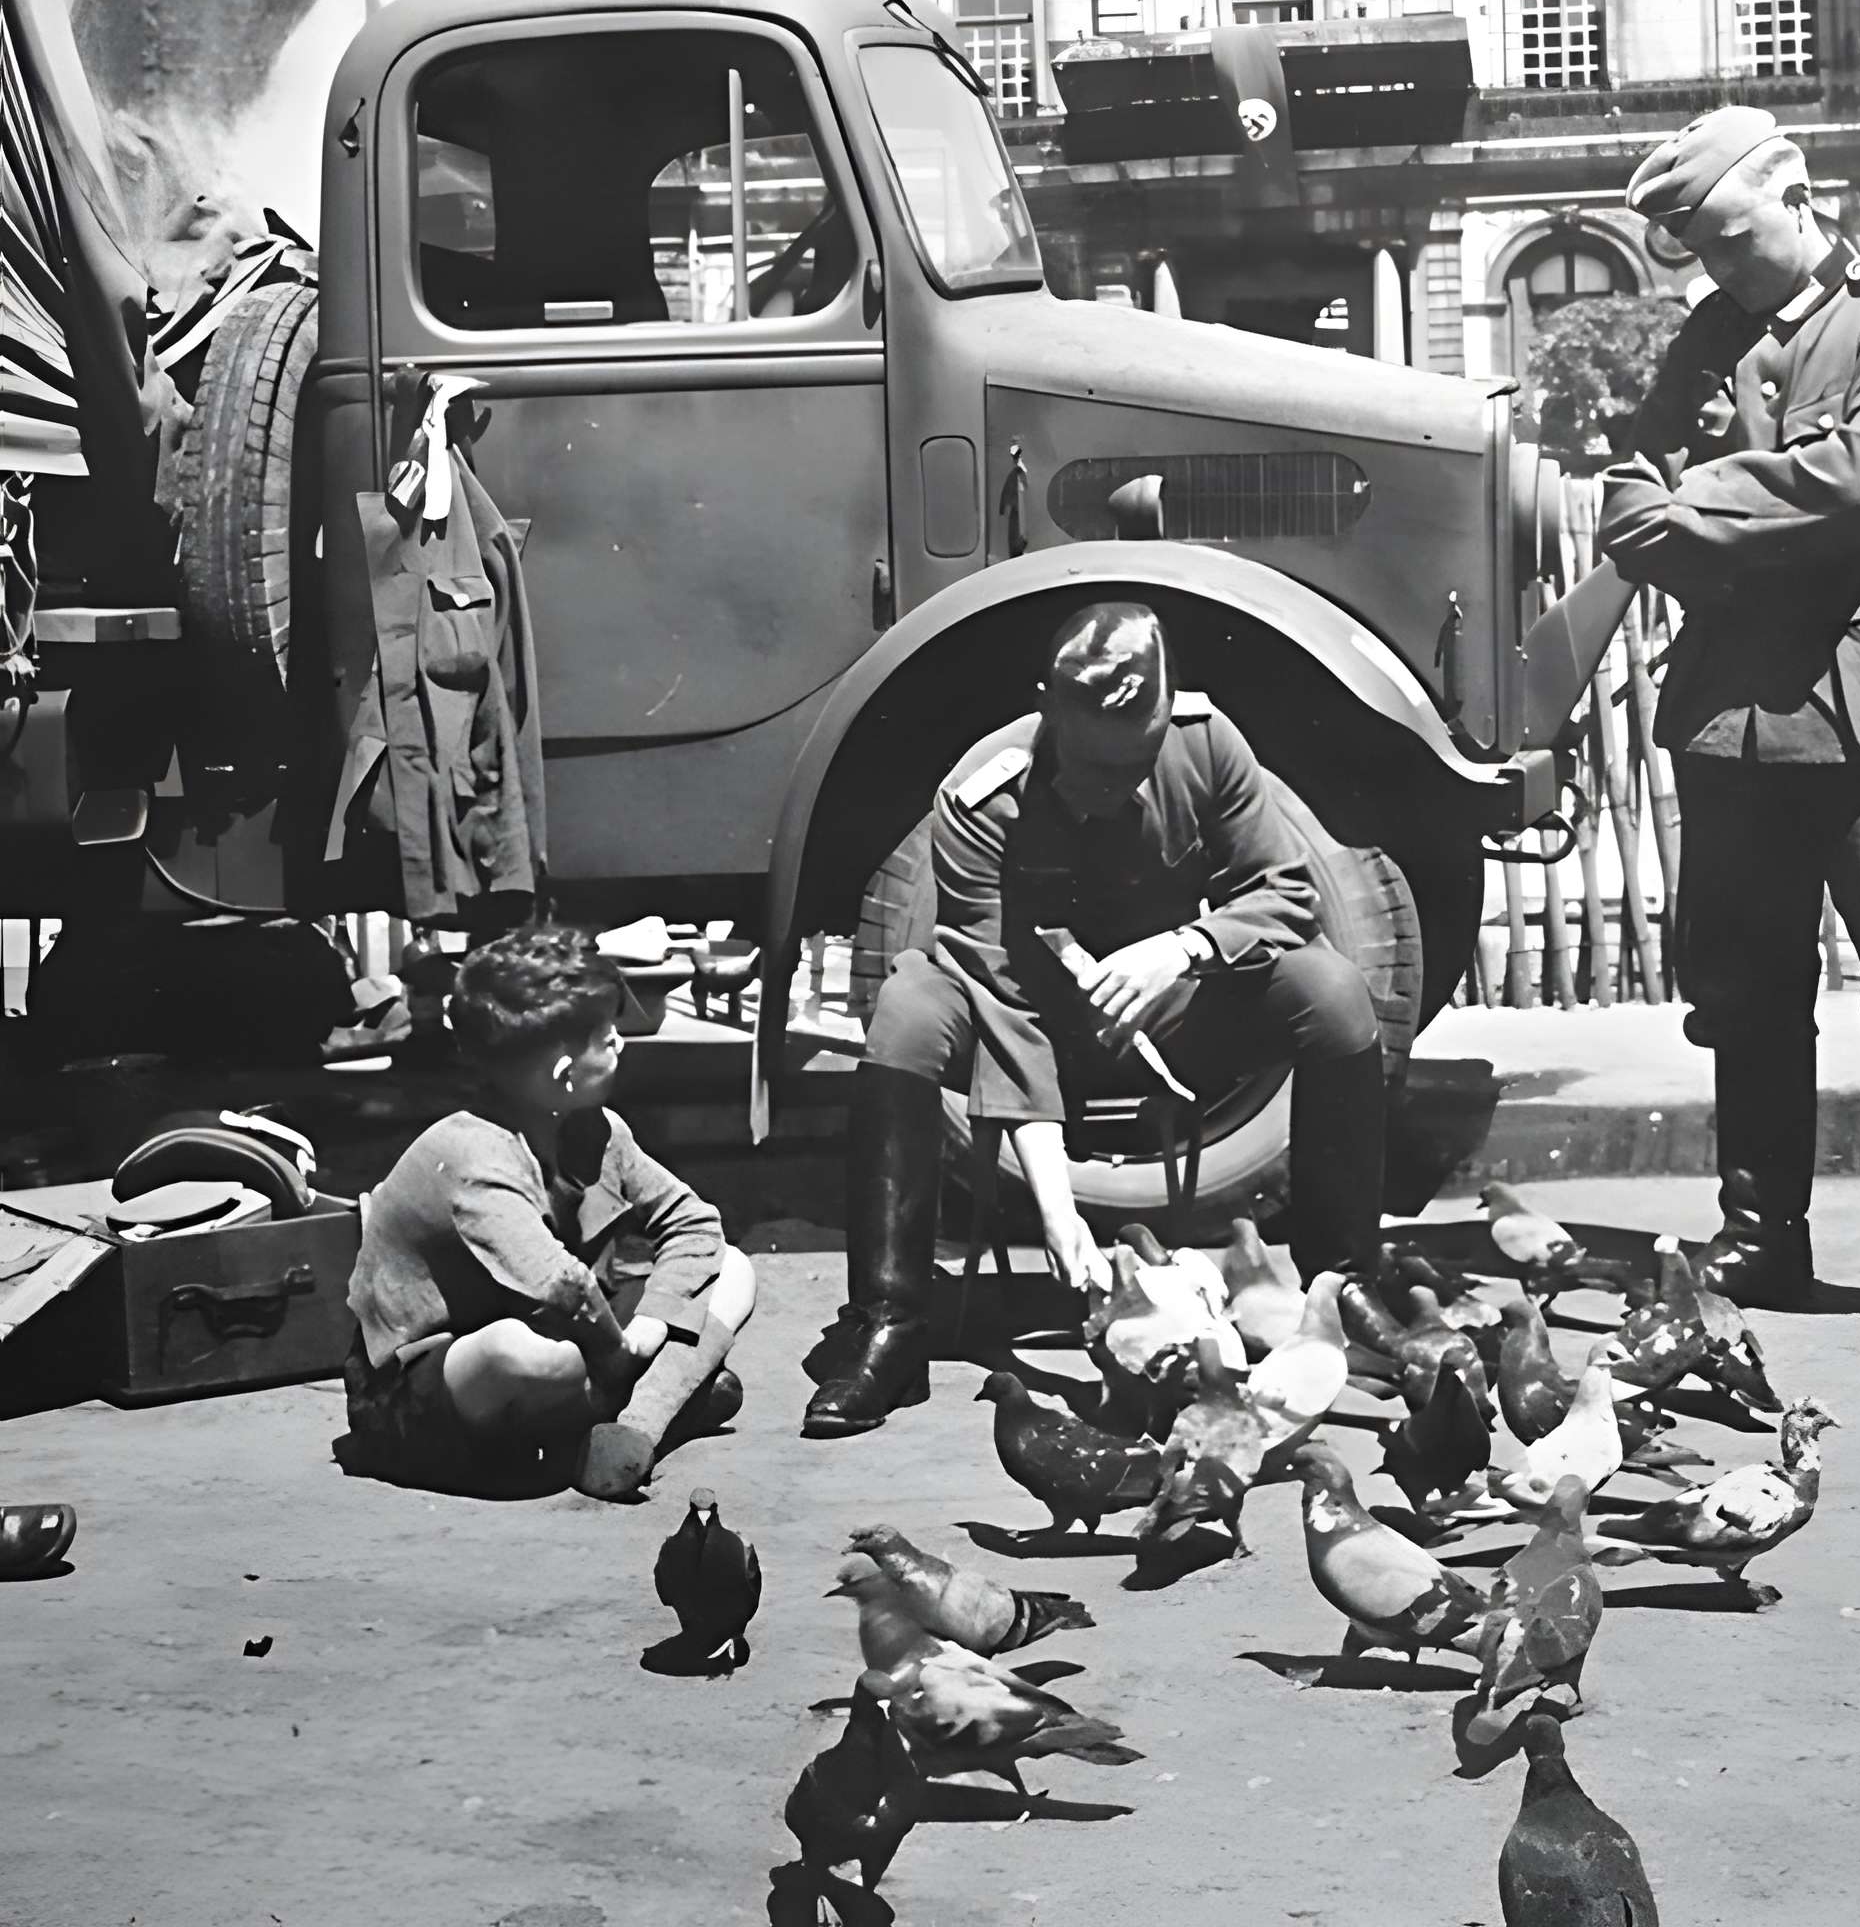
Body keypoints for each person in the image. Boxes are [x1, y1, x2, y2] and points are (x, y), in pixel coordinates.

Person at [1596, 106, 1860, 1355]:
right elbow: (1625, 499)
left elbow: (1849, 484)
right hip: (1739, 724)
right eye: (1700, 252)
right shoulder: (1707, 339)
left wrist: (1696, 511)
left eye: (1728, 240)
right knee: (1746, 988)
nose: (1717, 270)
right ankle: (1764, 1235)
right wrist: (1689, 510)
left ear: (1795, 194)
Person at [800, 599, 1386, 1436]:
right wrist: (1056, 1208)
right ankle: (890, 1323)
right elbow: (998, 993)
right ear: (1047, 707)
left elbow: (1285, 890)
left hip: (1170, 1014)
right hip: (1030, 1035)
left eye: (1137, 767)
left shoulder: (1209, 742)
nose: (1116, 792)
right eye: (1094, 769)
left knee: (1331, 991)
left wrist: (1183, 949)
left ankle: (1343, 1290)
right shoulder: (981, 794)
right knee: (908, 1008)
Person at [342, 925, 759, 1499]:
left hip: (582, 1337)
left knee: (733, 1267)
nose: (619, 1041)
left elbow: (694, 1223)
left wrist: (652, 1326)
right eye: (605, 1033)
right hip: (429, 1388)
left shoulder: (599, 1129)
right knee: (528, 1355)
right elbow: (561, 1286)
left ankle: (638, 1424)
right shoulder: (472, 1154)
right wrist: (627, 1355)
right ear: (563, 1071)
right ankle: (664, 1394)